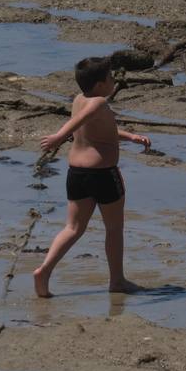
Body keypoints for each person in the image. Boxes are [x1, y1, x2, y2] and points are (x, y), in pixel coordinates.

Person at [32, 56, 151, 298]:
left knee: (73, 227)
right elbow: (77, 122)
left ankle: (44, 270)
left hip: (77, 174)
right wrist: (57, 136)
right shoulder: (98, 102)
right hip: (103, 174)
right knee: (114, 228)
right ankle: (117, 281)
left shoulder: (80, 100)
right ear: (99, 85)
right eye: (110, 78)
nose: (114, 81)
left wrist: (130, 136)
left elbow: (97, 127)